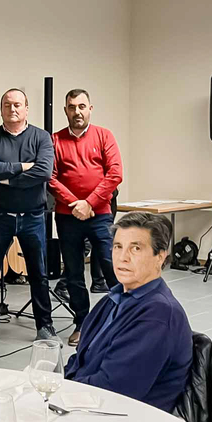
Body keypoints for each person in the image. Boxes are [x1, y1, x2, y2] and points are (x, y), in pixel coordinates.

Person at [65, 212, 192, 410]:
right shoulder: (113, 299)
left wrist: (62, 391)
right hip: (86, 404)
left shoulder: (158, 314)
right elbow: (80, 360)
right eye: (118, 247)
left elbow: (113, 390)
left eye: (136, 248)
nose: (122, 258)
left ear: (160, 256)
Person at [0, 88, 56, 340]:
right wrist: (22, 168)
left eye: (18, 105)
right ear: (1, 109)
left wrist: (7, 179)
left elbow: (43, 172)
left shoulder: (41, 138)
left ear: (26, 109)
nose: (13, 109)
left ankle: (45, 325)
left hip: (33, 217)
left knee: (38, 274)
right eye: (8, 105)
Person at [49, 89, 123, 346]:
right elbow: (50, 177)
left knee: (111, 266)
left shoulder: (104, 136)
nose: (77, 111)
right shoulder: (55, 140)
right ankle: (82, 323)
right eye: (72, 107)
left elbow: (115, 174)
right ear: (65, 110)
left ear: (90, 108)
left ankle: (119, 321)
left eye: (82, 106)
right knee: (73, 273)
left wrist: (89, 203)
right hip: (67, 218)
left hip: (99, 214)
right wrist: (75, 203)